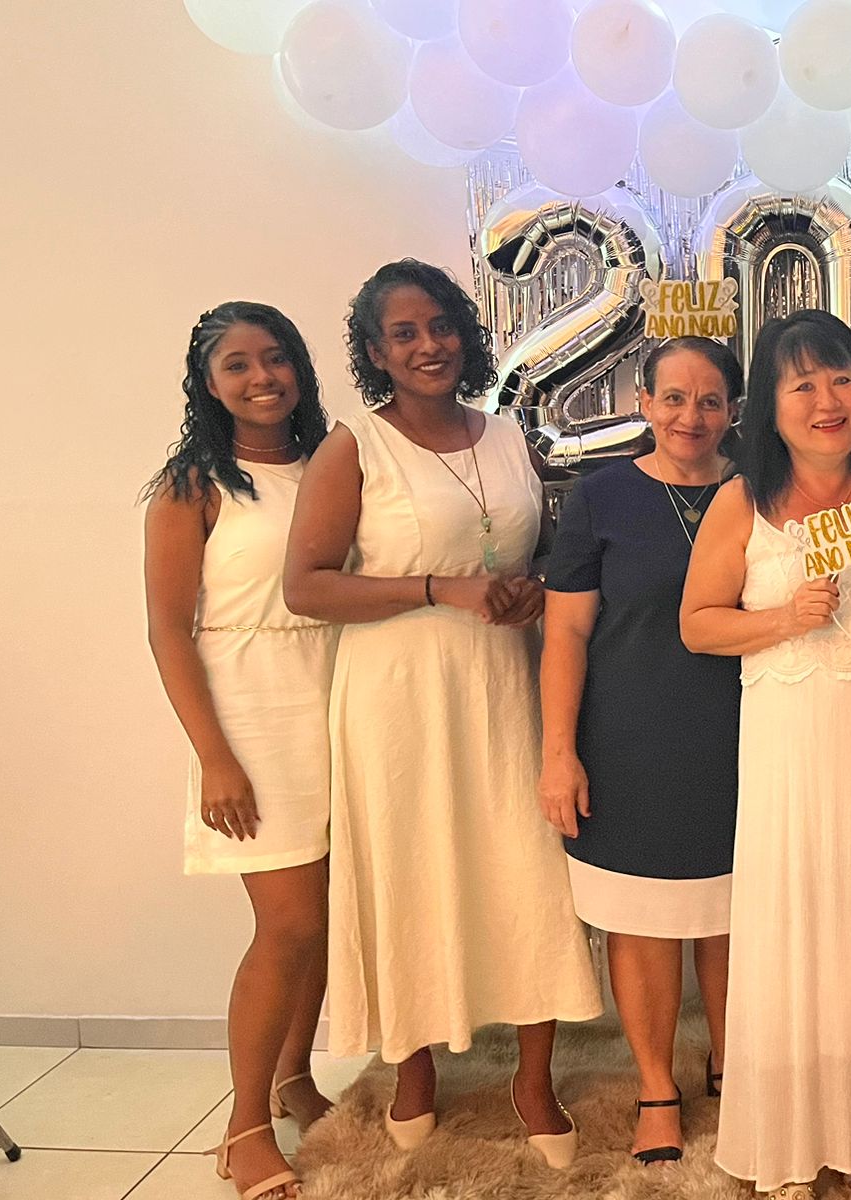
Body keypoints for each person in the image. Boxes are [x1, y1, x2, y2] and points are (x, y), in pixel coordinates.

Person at [282, 260, 601, 1163]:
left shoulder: (505, 435)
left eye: (441, 326)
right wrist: (436, 587)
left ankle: (533, 1079)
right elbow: (305, 587)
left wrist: (533, 588)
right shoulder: (355, 447)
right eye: (405, 334)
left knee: (527, 868)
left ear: (465, 332)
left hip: (504, 682)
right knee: (411, 869)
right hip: (397, 698)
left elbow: (535, 550)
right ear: (376, 352)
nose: (428, 345)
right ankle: (414, 1068)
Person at [680, 310, 851, 1199]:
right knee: (796, 931)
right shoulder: (742, 502)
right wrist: (781, 618)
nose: (827, 400)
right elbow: (697, 624)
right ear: (770, 404)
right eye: (802, 384)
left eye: (841, 378)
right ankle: (792, 1135)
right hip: (790, 759)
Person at [144, 301, 336, 1200]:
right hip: (253, 711)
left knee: (324, 919)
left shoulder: (335, 463)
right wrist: (215, 758)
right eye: (238, 364)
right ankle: (244, 1126)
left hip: (338, 694)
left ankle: (295, 1075)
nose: (262, 377)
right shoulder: (194, 485)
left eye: (276, 358)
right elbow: (168, 632)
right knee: (287, 924)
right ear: (209, 385)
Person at [539, 336, 744, 1164]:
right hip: (628, 739)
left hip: (747, 738)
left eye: (710, 400)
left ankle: (734, 1065)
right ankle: (657, 1086)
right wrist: (559, 752)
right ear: (644, 402)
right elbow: (565, 633)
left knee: (735, 916)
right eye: (674, 398)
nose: (691, 416)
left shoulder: (765, 489)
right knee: (645, 921)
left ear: (734, 410)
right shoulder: (601, 497)